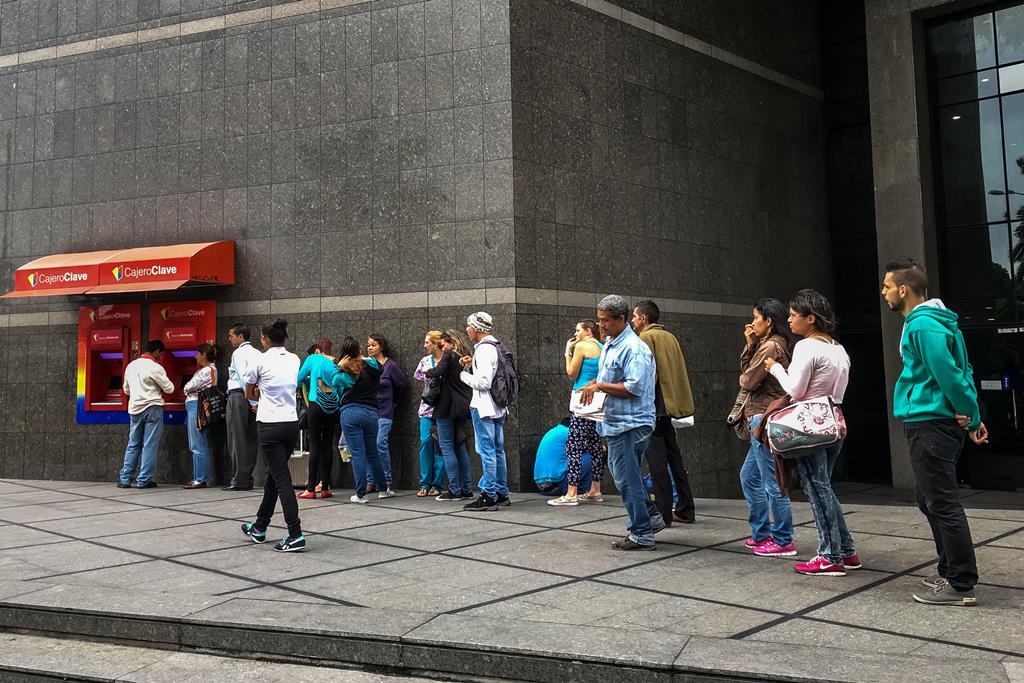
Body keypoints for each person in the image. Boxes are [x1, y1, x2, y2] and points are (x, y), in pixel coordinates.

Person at [881, 258, 988, 606]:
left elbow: (950, 374)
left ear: (903, 289)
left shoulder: (923, 326)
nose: (883, 293)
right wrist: (972, 416)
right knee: (928, 499)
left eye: (887, 286)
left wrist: (972, 417)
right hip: (936, 423)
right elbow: (964, 369)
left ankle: (961, 583)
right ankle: (949, 571)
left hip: (929, 423)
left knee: (942, 502)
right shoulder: (938, 321)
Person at [765, 289, 858, 576]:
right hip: (835, 421)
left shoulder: (806, 347)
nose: (789, 319)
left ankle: (830, 556)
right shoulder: (838, 349)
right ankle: (846, 550)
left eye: (794, 315)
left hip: (810, 425)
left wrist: (776, 369)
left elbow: (795, 390)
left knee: (816, 488)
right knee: (824, 486)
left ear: (811, 319)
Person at [578, 295, 662, 550]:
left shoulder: (633, 348)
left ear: (622, 319)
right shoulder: (611, 343)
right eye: (599, 320)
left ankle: (642, 533)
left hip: (631, 424)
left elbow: (635, 387)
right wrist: (596, 384)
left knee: (626, 478)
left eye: (605, 321)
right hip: (617, 422)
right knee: (626, 475)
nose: (601, 325)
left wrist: (600, 386)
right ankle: (650, 516)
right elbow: (611, 379)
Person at [737, 299, 797, 556]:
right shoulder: (766, 344)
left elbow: (747, 381)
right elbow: (748, 373)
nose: (752, 323)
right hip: (760, 417)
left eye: (756, 317)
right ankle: (761, 534)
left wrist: (752, 351)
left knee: (772, 482)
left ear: (769, 321)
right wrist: (750, 345)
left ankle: (783, 540)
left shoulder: (771, 346)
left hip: (763, 417)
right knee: (749, 477)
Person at [240, 319, 305, 552]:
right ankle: (259, 526)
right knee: (274, 476)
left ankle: (295, 534)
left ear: (265, 338)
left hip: (269, 425)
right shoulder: (294, 359)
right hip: (290, 424)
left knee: (282, 479)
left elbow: (249, 392)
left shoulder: (259, 360)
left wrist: (260, 394)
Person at [632, 300, 697, 525]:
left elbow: (646, 375)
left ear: (643, 318)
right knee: (674, 459)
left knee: (656, 462)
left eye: (635, 317)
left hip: (654, 407)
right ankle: (686, 509)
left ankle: (664, 513)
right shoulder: (670, 337)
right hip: (670, 407)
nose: (633, 321)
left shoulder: (645, 338)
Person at [549, 319, 606, 507]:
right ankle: (595, 489)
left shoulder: (582, 346)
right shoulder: (602, 346)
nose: (576, 334)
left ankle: (571, 493)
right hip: (597, 402)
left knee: (573, 445)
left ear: (588, 331)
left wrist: (567, 352)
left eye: (578, 330)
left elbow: (572, 373)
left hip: (582, 400)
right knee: (596, 445)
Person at [460, 312, 511, 512]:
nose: (467, 330)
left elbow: (483, 382)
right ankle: (501, 492)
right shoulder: (496, 346)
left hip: (483, 407)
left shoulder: (483, 350)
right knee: (498, 451)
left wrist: (464, 375)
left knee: (487, 452)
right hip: (498, 407)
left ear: (476, 328)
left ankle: (488, 495)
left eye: (468, 326)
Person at [335, 337, 394, 503]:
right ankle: (383, 489)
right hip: (372, 413)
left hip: (350, 412)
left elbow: (335, 382)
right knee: (373, 453)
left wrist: (339, 367)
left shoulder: (348, 370)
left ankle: (361, 494)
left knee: (358, 453)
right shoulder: (374, 364)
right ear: (360, 349)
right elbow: (377, 367)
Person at [118, 340, 174, 489]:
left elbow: (126, 390)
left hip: (135, 409)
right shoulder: (156, 367)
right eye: (160, 354)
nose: (160, 357)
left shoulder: (131, 366)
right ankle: (143, 480)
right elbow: (169, 388)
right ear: (156, 351)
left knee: (133, 444)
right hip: (152, 408)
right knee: (149, 445)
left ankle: (125, 479)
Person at [425, 330, 475, 501]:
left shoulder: (449, 354)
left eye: (443, 343)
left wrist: (427, 371)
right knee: (460, 447)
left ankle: (454, 490)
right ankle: (467, 489)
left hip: (446, 406)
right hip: (462, 406)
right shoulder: (464, 356)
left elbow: (437, 371)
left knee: (446, 447)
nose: (442, 346)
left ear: (451, 343)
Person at [296, 338, 340, 499]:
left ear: (317, 350)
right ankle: (325, 488)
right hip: (333, 407)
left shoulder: (313, 358)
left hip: (316, 405)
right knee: (328, 444)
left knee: (315, 445)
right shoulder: (335, 363)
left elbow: (298, 378)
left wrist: (307, 381)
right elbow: (340, 385)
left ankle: (311, 489)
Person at [223, 323, 262, 491]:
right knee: (251, 438)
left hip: (239, 397)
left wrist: (251, 400)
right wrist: (257, 402)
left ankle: (239, 480)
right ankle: (247, 478)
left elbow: (243, 377)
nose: (229, 339)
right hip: (255, 397)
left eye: (231, 336)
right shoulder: (258, 353)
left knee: (236, 438)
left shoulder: (238, 353)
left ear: (241, 336)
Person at [368, 334, 408, 492]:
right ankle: (370, 481)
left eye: (373, 345)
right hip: (370, 411)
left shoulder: (391, 366)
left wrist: (393, 403)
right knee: (369, 445)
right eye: (368, 345)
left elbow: (402, 386)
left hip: (385, 411)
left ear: (382, 347)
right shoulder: (367, 365)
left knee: (380, 443)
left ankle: (386, 480)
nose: (370, 348)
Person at [182, 343, 219, 489]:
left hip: (196, 407)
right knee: (198, 443)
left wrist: (188, 389)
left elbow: (188, 387)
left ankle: (200, 478)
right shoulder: (204, 370)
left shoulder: (207, 370)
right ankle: (200, 477)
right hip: (194, 406)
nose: (195, 356)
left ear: (204, 354)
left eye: (197, 353)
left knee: (197, 443)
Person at [414, 331, 446, 497]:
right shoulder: (425, 361)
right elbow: (421, 380)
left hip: (444, 409)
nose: (425, 345)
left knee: (441, 446)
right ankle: (425, 482)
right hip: (427, 408)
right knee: (425, 442)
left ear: (435, 343)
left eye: (428, 342)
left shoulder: (447, 359)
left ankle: (437, 483)